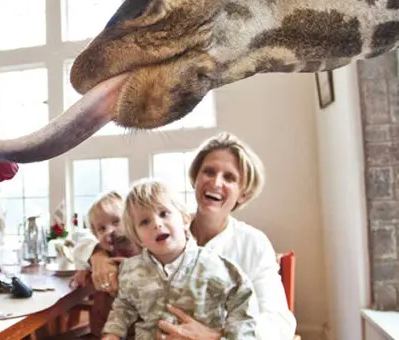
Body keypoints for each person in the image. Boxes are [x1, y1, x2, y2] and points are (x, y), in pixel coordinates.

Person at [78, 132, 296, 340]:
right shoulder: (162, 227)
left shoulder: (252, 244)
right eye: (209, 172)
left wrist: (217, 336)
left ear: (244, 193)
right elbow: (87, 237)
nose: (216, 182)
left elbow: (280, 322)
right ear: (196, 178)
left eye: (229, 177)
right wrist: (97, 255)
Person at [101, 179, 257, 340]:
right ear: (138, 238)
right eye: (145, 221)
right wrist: (113, 333)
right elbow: (124, 306)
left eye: (164, 214)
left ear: (184, 220)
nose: (157, 224)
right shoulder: (131, 269)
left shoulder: (214, 265)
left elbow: (242, 299)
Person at [72, 190, 139, 337]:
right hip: (101, 330)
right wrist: (83, 269)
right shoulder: (101, 254)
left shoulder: (142, 251)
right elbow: (79, 248)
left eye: (116, 222)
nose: (109, 231)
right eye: (101, 228)